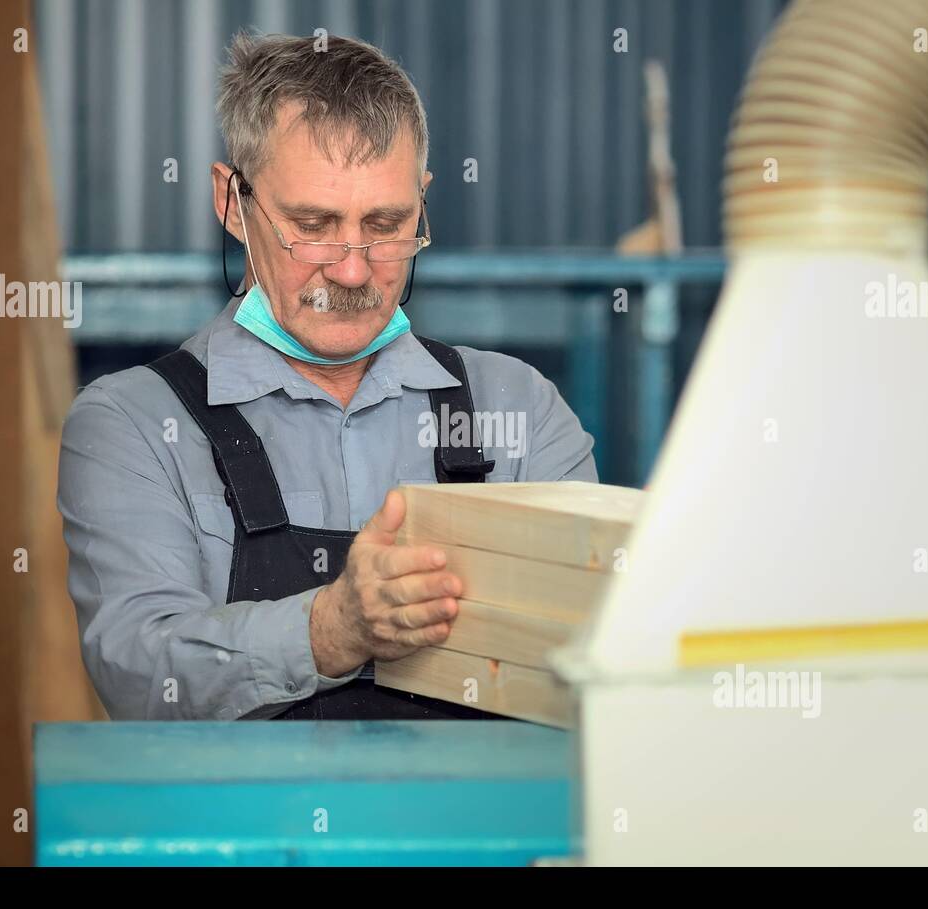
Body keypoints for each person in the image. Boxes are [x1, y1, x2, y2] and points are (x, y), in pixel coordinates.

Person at [57, 32, 596, 720]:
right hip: (246, 828)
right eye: (313, 224)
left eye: (386, 223)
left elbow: (594, 658)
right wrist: (331, 629)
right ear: (232, 203)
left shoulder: (517, 411)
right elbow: (138, 669)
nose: (350, 268)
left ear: (423, 202)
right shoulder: (131, 426)